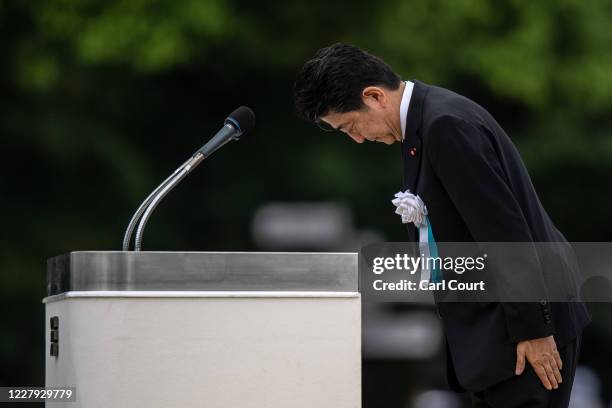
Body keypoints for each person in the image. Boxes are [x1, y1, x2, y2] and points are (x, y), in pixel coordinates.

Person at [293, 43, 590, 408]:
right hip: (497, 330)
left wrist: (535, 330)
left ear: (374, 96)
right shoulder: (423, 124)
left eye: (351, 125)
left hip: (523, 331)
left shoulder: (444, 125)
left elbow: (503, 232)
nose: (357, 138)